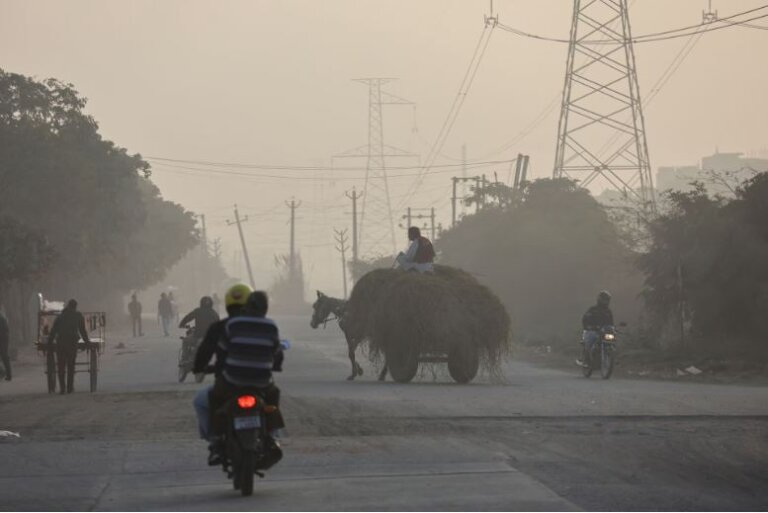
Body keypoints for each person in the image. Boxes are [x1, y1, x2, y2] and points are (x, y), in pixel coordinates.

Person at [192, 286, 284, 467]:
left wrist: (200, 368)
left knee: (209, 399)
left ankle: (216, 440)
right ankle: (272, 437)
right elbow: (277, 353)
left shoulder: (230, 325)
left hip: (232, 381)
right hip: (262, 383)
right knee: (273, 399)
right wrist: (275, 365)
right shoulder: (271, 325)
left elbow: (219, 350)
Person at [47, 299, 91, 394]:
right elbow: (82, 331)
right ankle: (70, 388)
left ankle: (62, 388)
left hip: (61, 343)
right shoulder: (78, 316)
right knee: (71, 366)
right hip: (72, 343)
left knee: (61, 366)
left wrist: (49, 344)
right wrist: (87, 342)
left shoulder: (60, 316)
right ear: (75, 307)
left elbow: (53, 331)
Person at [578, 290, 614, 367]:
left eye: (607, 300)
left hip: (604, 332)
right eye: (604, 299)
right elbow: (585, 319)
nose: (605, 302)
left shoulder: (608, 311)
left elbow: (611, 323)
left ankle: (611, 358)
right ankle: (586, 360)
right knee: (589, 341)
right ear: (600, 299)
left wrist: (613, 328)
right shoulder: (593, 309)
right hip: (593, 331)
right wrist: (588, 326)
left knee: (612, 341)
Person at [0, 303, 11, 381]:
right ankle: (4, 373)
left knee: (4, 356)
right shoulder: (2, 316)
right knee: (5, 357)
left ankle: (6, 373)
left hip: (3, 339)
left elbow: (6, 329)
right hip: (4, 338)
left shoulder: (2, 317)